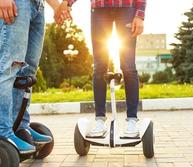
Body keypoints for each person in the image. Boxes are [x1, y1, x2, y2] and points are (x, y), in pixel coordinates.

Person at [56, 0, 147, 138]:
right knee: (99, 67)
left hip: (127, 7)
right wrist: (67, 3)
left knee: (128, 67)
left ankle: (132, 120)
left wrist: (140, 15)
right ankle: (99, 119)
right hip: (100, 7)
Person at [0, 0, 70, 153]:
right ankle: (2, 131)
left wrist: (55, 6)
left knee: (27, 71)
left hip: (37, 6)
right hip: (16, 3)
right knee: (9, 65)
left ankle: (20, 127)